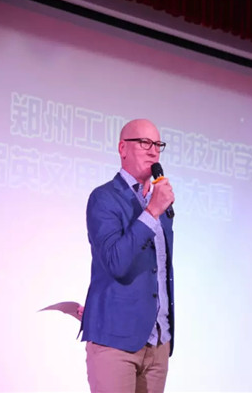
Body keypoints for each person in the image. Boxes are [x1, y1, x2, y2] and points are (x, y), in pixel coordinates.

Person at [80, 119, 175, 393]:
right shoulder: (104, 198)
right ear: (123, 148)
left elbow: (160, 270)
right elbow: (116, 262)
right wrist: (151, 212)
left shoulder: (159, 203)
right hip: (115, 342)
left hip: (158, 342)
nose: (153, 151)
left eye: (158, 144)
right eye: (145, 143)